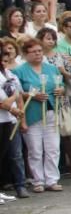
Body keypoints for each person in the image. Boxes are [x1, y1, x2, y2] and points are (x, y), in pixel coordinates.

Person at [13, 37, 65, 192]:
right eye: (33, 51)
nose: (37, 54)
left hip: (50, 110)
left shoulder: (51, 68)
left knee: (53, 148)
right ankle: (38, 180)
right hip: (32, 113)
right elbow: (16, 92)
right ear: (26, 54)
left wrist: (60, 90)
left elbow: (60, 84)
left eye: (39, 51)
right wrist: (30, 95)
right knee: (35, 149)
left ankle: (52, 179)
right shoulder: (19, 71)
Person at [0, 37, 29, 199]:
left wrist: (21, 116)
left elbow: (19, 97)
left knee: (16, 154)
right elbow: (4, 101)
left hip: (11, 120)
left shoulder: (11, 75)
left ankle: (20, 185)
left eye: (6, 60)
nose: (4, 63)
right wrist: (12, 105)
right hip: (3, 117)